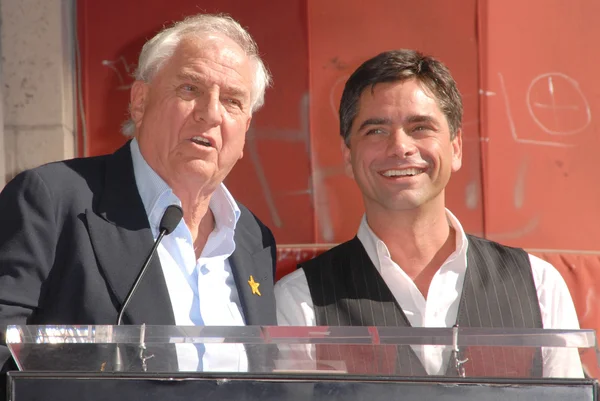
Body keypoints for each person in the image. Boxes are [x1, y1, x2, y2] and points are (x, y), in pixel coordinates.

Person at [0, 13, 277, 386]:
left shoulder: (254, 239)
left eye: (232, 101)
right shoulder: (51, 201)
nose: (211, 114)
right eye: (190, 89)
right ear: (140, 101)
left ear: (244, 130)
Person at [275, 49, 583, 378]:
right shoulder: (299, 300)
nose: (400, 146)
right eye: (375, 131)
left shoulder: (539, 287)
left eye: (420, 127)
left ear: (455, 148)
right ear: (348, 157)